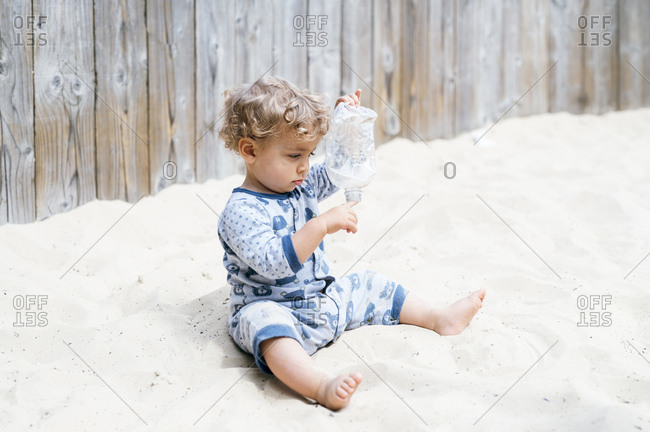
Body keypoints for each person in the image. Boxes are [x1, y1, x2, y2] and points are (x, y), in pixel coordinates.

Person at [217, 76, 486, 410]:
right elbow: (273, 262)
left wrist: (345, 124)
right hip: (275, 308)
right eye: (293, 155)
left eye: (309, 153)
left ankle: (438, 318)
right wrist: (320, 225)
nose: (304, 165)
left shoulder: (300, 183)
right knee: (268, 331)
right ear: (250, 150)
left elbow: (338, 171)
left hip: (321, 302)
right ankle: (319, 385)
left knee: (369, 284)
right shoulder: (241, 210)